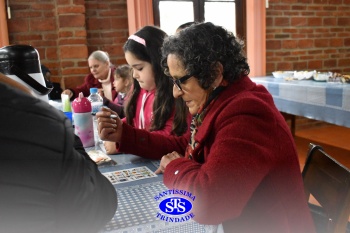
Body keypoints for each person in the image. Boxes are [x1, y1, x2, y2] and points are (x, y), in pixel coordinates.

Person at [96, 22, 315, 233]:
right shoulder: (221, 100)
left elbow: (209, 203)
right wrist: (126, 135)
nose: (175, 93)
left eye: (181, 81)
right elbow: (185, 144)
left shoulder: (247, 113)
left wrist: (176, 167)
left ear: (215, 73)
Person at [0, 45, 117, 233]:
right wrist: (69, 138)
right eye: (91, 67)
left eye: (96, 66)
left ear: (107, 64)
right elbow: (96, 207)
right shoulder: (36, 124)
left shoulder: (117, 79)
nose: (93, 71)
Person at [103, 26, 190, 155]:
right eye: (132, 68)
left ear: (159, 64)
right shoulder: (139, 90)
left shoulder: (175, 96)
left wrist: (122, 139)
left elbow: (169, 140)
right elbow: (134, 120)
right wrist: (115, 127)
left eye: (139, 68)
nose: (134, 75)